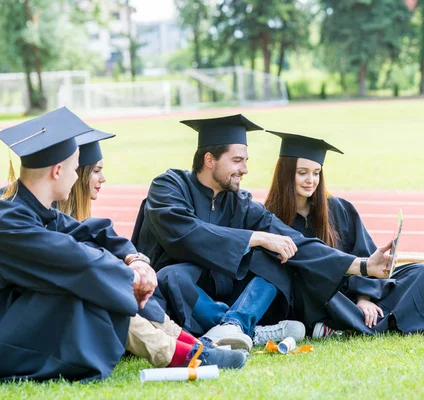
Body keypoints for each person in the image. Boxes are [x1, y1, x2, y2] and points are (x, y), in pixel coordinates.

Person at [0, 108, 243, 383]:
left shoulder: (22, 203)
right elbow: (76, 260)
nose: (76, 177)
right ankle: (179, 354)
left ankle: (184, 342)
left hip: (1, 316)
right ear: (57, 170)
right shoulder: (7, 221)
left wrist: (133, 259)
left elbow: (90, 233)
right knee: (87, 285)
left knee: (99, 277)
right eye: (74, 169)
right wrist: (132, 279)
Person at [133, 114, 395, 352]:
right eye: (237, 161)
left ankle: (234, 326)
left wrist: (362, 265)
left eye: (245, 161)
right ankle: (250, 330)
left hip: (224, 288)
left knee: (279, 254)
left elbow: (296, 242)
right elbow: (186, 234)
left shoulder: (239, 202)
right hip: (182, 294)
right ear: (210, 160)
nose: (245, 169)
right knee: (171, 276)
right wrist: (254, 237)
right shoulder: (168, 186)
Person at [264, 131, 424, 337]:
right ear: (286, 174)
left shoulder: (338, 208)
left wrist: (364, 298)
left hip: (352, 294)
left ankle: (347, 323)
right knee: (307, 279)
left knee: (420, 272)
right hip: (317, 299)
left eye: (316, 173)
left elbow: (365, 254)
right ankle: (345, 322)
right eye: (302, 173)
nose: (311, 180)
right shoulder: (270, 219)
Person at [58, 129, 247, 370]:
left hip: (80, 313)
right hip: (59, 320)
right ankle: (187, 353)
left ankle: (192, 345)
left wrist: (132, 261)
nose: (103, 178)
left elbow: (102, 233)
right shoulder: (33, 222)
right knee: (112, 292)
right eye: (96, 171)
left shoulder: (66, 221)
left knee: (130, 287)